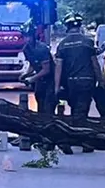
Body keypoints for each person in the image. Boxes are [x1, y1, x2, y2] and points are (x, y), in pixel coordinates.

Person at [53, 12, 105, 153]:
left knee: (76, 110)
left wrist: (57, 87)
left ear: (67, 27)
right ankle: (82, 141)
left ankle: (72, 139)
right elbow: (95, 64)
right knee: (81, 112)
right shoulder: (87, 42)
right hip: (86, 81)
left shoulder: (62, 45)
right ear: (79, 26)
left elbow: (59, 67)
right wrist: (100, 80)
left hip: (70, 83)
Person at [20, 20, 74, 155]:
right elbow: (33, 65)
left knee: (49, 110)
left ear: (33, 36)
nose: (25, 38)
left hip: (50, 81)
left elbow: (46, 69)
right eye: (23, 36)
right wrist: (25, 74)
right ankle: (44, 137)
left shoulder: (42, 48)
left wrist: (31, 78)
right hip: (40, 83)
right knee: (41, 109)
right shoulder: (26, 49)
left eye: (27, 36)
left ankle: (55, 141)